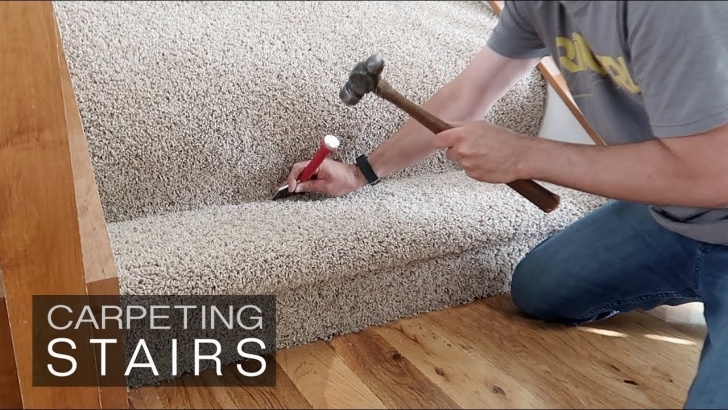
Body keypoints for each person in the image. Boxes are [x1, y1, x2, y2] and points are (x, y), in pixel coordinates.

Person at [284, 1, 728, 407]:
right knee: (540, 289)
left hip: (712, 191)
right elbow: (467, 96)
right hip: (672, 213)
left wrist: (526, 154)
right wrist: (361, 172)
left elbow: (716, 173)